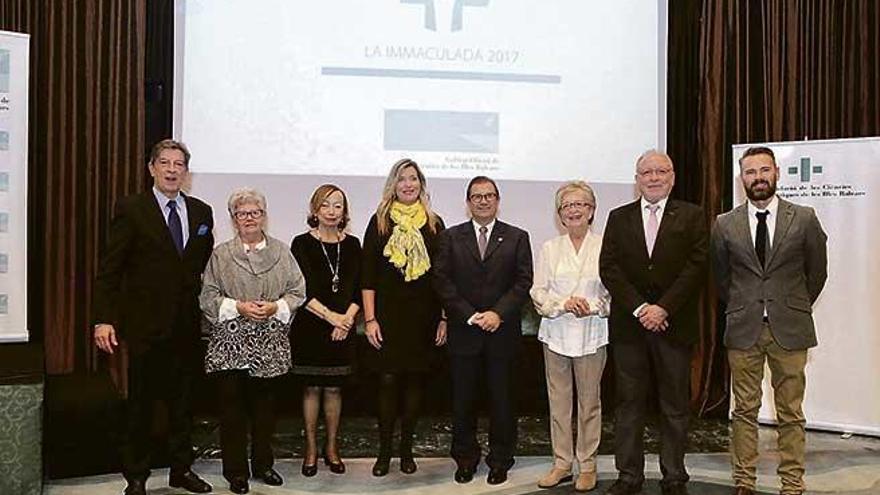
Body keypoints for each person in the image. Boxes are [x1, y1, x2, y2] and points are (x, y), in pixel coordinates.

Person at [92, 139, 215, 495]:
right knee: (141, 405)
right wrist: (104, 318)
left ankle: (181, 470)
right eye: (165, 163)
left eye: (179, 164)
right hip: (144, 326)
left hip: (187, 326)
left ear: (186, 172)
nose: (172, 170)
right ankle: (137, 476)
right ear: (152, 168)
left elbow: (198, 266)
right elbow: (110, 270)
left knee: (183, 404)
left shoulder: (202, 212)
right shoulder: (131, 209)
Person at [711, 147, 827, 495]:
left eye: (764, 170)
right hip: (743, 328)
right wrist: (743, 305)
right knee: (744, 410)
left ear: (776, 173)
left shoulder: (804, 217)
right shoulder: (724, 223)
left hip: (789, 329)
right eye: (750, 172)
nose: (757, 177)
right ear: (741, 177)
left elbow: (817, 272)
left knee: (790, 411)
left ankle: (792, 483)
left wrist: (792, 305)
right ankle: (744, 481)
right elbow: (721, 278)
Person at [599, 150, 708, 495]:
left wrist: (663, 308)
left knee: (674, 404)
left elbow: (697, 266)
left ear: (672, 177)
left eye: (661, 171)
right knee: (629, 404)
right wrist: (641, 309)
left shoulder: (692, 216)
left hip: (673, 327)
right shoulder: (618, 217)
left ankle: (674, 475)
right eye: (646, 172)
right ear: (637, 179)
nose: (654, 177)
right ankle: (629, 475)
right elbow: (609, 268)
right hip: (630, 328)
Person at [199, 188, 305, 494]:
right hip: (230, 345)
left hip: (268, 345)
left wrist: (275, 307)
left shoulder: (282, 252)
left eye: (255, 213)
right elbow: (207, 295)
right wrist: (238, 307)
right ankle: (235, 472)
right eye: (242, 213)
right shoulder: (220, 254)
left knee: (264, 411)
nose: (249, 218)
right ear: (233, 219)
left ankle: (263, 465)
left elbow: (298, 291)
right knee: (232, 411)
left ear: (264, 216)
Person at [433, 176, 533, 486]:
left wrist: (496, 314)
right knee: (463, 401)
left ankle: (500, 459)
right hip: (465, 334)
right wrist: (470, 315)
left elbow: (523, 282)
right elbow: (442, 281)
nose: (483, 201)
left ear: (497, 200)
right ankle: (465, 458)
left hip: (502, 334)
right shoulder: (450, 237)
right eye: (477, 196)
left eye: (489, 195)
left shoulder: (517, 237)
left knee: (502, 401)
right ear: (468, 202)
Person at [361, 158, 447, 476]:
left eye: (413, 179)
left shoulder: (435, 223)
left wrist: (444, 318)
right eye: (402, 179)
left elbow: (443, 278)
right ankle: (384, 453)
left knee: (414, 384)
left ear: (421, 184)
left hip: (423, 318)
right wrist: (369, 320)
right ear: (393, 186)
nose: (408, 184)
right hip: (387, 317)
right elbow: (367, 275)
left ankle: (407, 451)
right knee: (387, 382)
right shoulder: (380, 221)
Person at [530, 181, 610, 493]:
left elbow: (612, 291)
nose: (574, 210)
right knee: (559, 403)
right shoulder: (550, 248)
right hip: (556, 334)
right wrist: (563, 304)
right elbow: (538, 291)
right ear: (560, 214)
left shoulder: (605, 245)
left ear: (591, 210)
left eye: (580, 204)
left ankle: (587, 465)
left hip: (591, 333)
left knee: (590, 403)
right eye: (567, 206)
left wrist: (590, 306)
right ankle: (562, 463)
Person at [290, 184, 362, 477]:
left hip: (344, 327)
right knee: (311, 388)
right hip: (311, 326)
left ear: (344, 212)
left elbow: (361, 288)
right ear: (315, 210)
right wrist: (332, 318)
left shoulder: (354, 244)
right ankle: (309, 449)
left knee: (334, 388)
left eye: (338, 206)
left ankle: (331, 448)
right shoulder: (301, 243)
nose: (332, 211)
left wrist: (346, 320)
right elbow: (300, 290)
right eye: (326, 205)